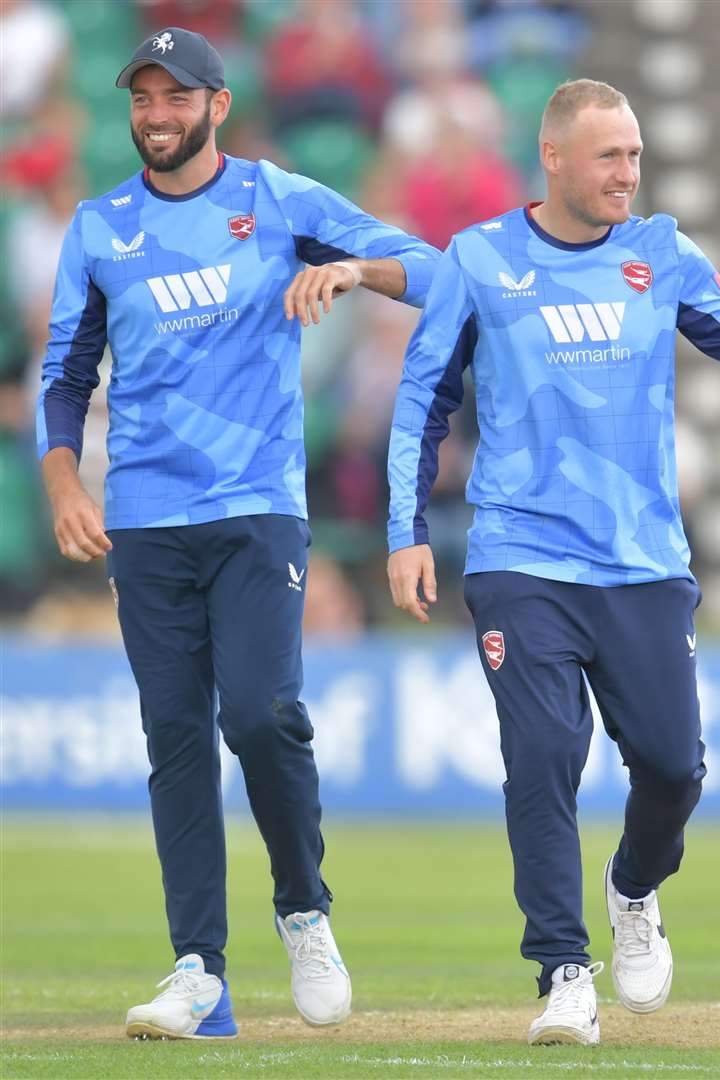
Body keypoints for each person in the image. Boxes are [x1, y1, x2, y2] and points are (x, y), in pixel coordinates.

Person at [384, 78, 720, 1047]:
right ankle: (562, 970)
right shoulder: (480, 259)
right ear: (555, 159)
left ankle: (632, 889)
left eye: (635, 155)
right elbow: (421, 401)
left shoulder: (658, 253)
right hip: (520, 555)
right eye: (610, 156)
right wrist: (405, 531)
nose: (628, 172)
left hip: (641, 561)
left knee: (671, 768)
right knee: (542, 758)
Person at [35, 27, 440, 1040]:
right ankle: (199, 972)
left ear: (216, 105)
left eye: (177, 99)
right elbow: (62, 380)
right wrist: (62, 486)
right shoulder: (98, 228)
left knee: (259, 716)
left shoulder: (280, 202)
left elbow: (433, 273)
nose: (156, 116)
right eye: (143, 99)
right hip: (145, 517)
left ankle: (303, 910)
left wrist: (352, 273)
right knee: (173, 736)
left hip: (257, 505)